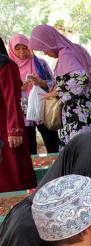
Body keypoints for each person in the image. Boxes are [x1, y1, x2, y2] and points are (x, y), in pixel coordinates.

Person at [28, 25, 91, 148]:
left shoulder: (66, 55)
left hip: (80, 115)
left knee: (82, 152)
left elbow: (81, 79)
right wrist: (44, 84)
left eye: (44, 48)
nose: (45, 53)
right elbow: (71, 79)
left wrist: (56, 93)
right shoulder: (75, 49)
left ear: (50, 42)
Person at [8, 34, 60, 154]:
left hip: (42, 108)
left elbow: (54, 83)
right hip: (22, 113)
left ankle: (56, 170)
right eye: (17, 48)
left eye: (25, 47)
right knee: (28, 148)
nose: (22, 51)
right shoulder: (10, 67)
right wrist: (20, 88)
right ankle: (32, 172)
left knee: (52, 143)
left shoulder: (39, 63)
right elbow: (7, 90)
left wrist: (41, 82)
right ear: (11, 49)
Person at [0, 36, 36, 193]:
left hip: (6, 126)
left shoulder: (5, 66)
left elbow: (12, 99)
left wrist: (14, 129)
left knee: (13, 169)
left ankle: (17, 209)